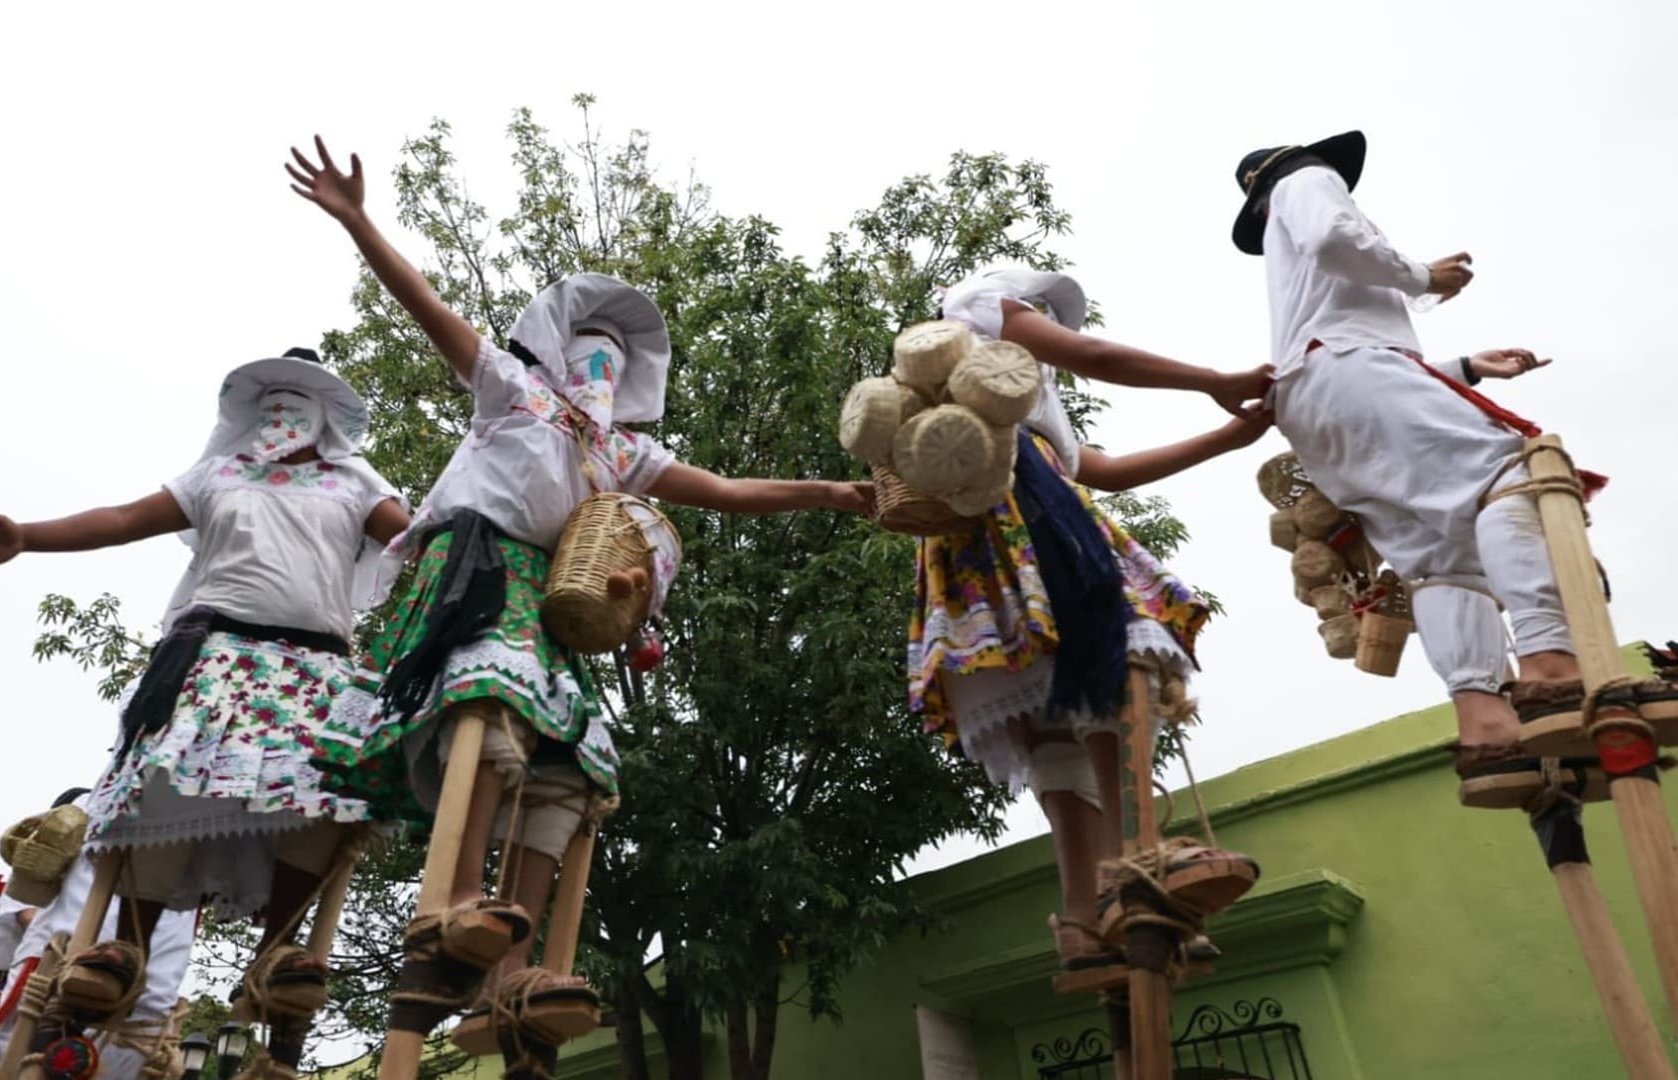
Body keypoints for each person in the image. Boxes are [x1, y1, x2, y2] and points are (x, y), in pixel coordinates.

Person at [284, 135, 874, 1055]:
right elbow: (428, 308)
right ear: (559, 352)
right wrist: (360, 221)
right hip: (476, 578)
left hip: (556, 602)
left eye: (613, 362)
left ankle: (509, 973)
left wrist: (828, 492)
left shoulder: (623, 453)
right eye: (588, 353)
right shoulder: (509, 390)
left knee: (574, 760)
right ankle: (452, 904)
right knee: (490, 699)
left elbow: (721, 491)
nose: (599, 371)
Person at [0, 348, 411, 1071]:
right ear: (249, 417)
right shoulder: (217, 476)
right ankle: (123, 948)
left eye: (299, 402)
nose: (282, 415)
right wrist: (28, 539)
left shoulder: (354, 482)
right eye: (272, 403)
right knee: (164, 785)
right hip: (214, 658)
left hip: (317, 667)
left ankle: (279, 956)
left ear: (325, 419)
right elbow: (122, 516)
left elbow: (417, 538)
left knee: (335, 792)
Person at [1228, 129, 1646, 803]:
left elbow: (1367, 381)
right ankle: (1550, 669)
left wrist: (1467, 369)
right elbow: (1338, 247)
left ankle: (1488, 732)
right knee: (1513, 477)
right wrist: (1425, 277)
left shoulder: (1287, 258)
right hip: (1345, 370)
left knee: (1442, 559)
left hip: (1318, 405)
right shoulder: (1307, 181)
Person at [922, 266, 1266, 969]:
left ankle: (1086, 913)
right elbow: (1101, 359)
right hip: (1024, 509)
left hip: (1012, 516)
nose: (1046, 327)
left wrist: (1228, 437)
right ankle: (1138, 864)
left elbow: (1098, 468)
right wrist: (1215, 380)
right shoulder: (980, 309)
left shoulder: (1031, 396)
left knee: (1057, 723)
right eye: (1041, 316)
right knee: (1120, 657)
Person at [0, 789, 196, 1080]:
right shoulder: (213, 822)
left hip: (120, 993)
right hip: (67, 978)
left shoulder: (212, 822)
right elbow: (25, 895)